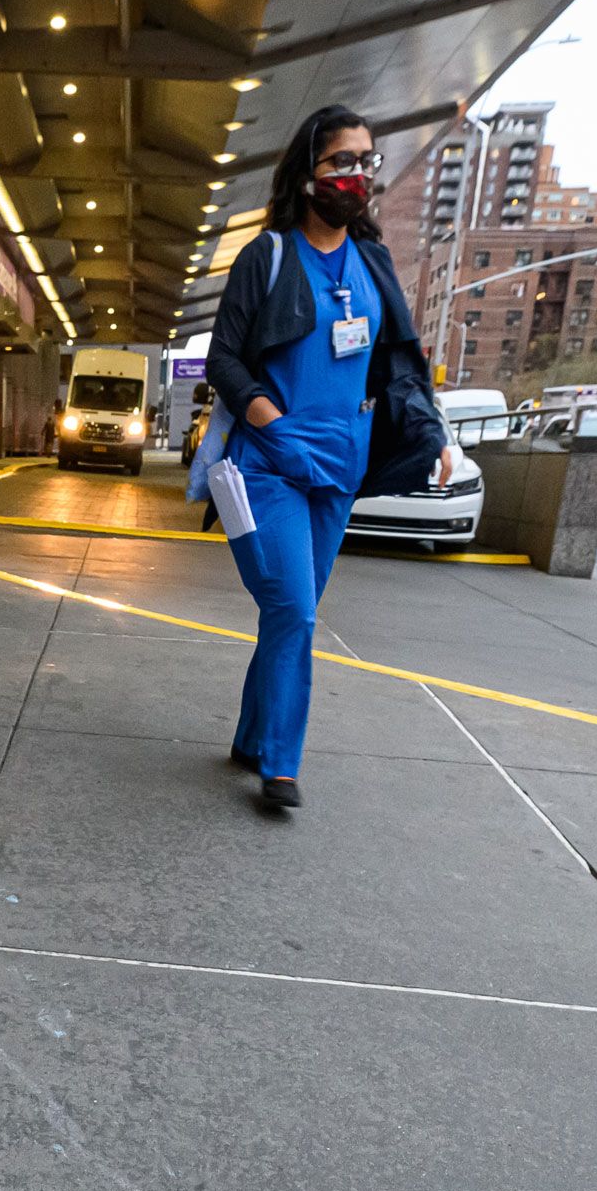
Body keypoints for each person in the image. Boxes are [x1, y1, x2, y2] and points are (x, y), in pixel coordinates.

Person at [203, 105, 451, 810]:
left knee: (292, 610)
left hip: (341, 468)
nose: (355, 175)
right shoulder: (269, 256)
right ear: (307, 170)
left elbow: (401, 357)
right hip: (269, 465)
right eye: (341, 160)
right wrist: (271, 423)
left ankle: (253, 737)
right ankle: (279, 765)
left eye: (366, 162)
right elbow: (224, 358)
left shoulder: (372, 262)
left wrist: (432, 433)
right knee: (295, 611)